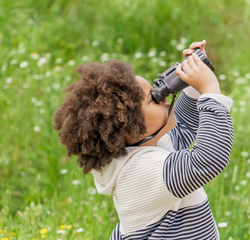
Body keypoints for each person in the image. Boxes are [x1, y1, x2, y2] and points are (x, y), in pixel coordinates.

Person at [53, 40, 233, 239]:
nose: (163, 97)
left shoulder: (140, 151)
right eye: (153, 98)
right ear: (133, 128)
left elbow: (182, 127)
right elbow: (208, 160)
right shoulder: (144, 173)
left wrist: (192, 82)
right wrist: (210, 92)